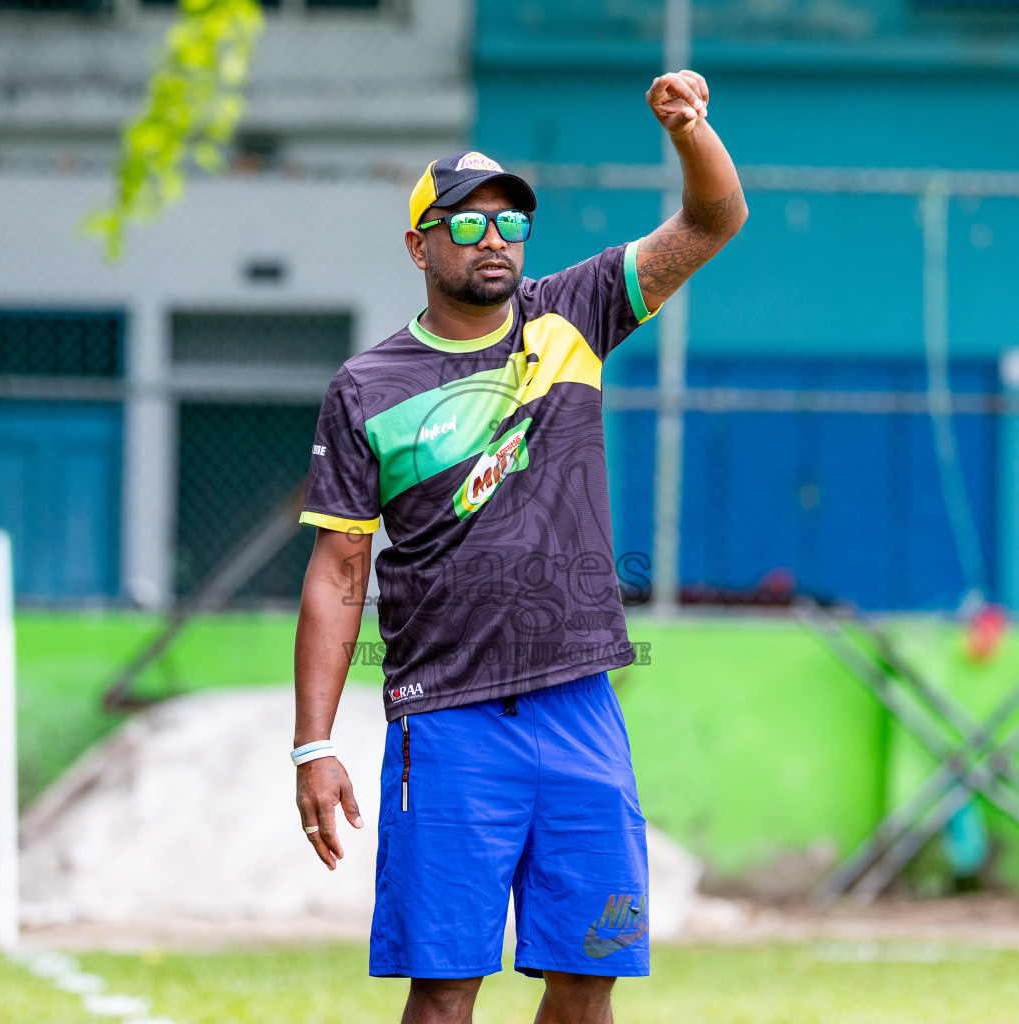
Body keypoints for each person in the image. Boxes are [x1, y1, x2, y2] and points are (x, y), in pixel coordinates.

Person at [292, 70, 745, 1024]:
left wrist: (690, 131)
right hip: (446, 720)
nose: (492, 238)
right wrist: (314, 746)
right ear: (419, 245)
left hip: (580, 706)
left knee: (589, 978)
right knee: (448, 990)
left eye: (509, 222)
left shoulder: (572, 315)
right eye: (465, 223)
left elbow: (713, 219)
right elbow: (339, 571)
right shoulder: (367, 386)